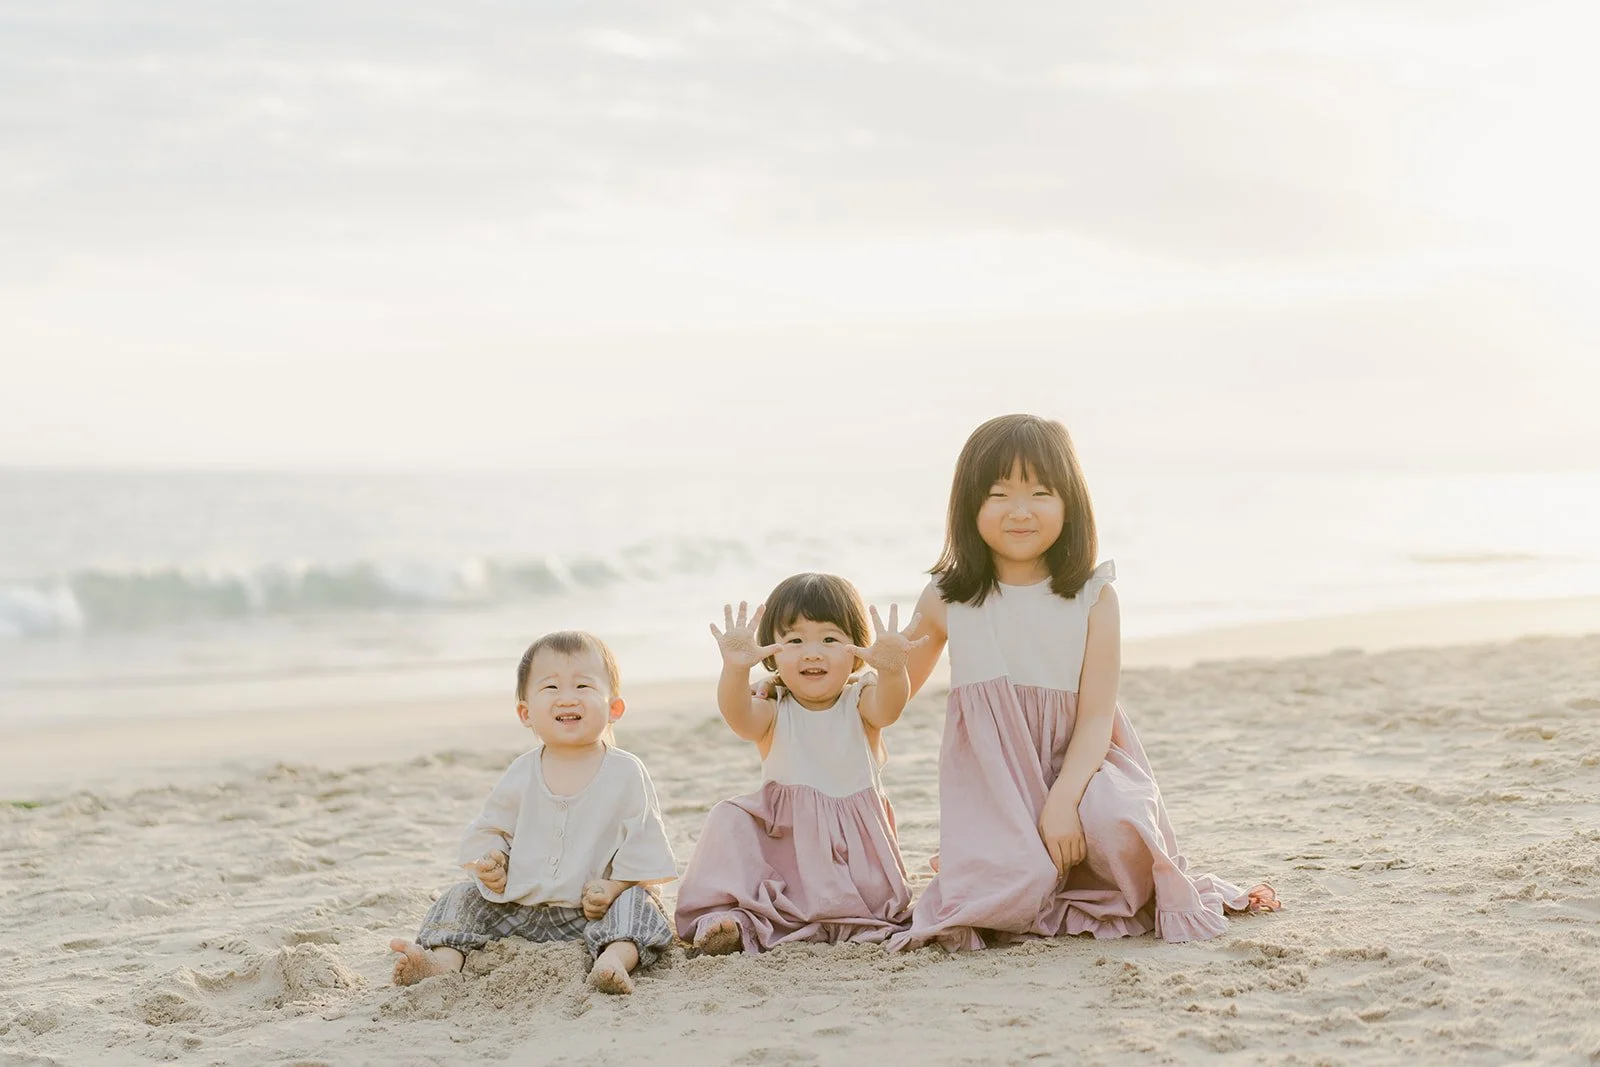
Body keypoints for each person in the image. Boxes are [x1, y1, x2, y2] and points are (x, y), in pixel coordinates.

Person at [888, 414, 1279, 951]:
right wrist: (799, 683)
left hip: (1085, 766)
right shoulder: (949, 599)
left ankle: (1084, 857)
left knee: (1117, 822)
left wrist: (1063, 801)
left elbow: (1097, 715)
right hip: (998, 784)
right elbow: (887, 699)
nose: (1020, 511)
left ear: (1070, 502)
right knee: (1014, 884)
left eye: (1041, 492)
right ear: (968, 507)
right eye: (998, 493)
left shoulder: (1092, 598)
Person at [389, 630, 678, 994]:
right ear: (526, 713)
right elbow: (492, 830)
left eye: (584, 686)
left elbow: (644, 845)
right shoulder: (521, 772)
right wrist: (493, 863)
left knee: (642, 904)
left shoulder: (626, 772)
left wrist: (614, 886)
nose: (567, 698)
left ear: (614, 708)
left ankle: (614, 959)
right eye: (551, 688)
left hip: (592, 917)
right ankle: (442, 964)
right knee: (460, 897)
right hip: (519, 911)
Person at [675, 573, 924, 954]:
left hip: (853, 855)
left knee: (860, 908)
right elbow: (738, 716)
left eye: (830, 639)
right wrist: (736, 670)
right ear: (772, 652)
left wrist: (892, 670)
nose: (812, 652)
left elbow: (890, 708)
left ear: (857, 650)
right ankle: (731, 919)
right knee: (727, 816)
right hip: (788, 851)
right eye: (794, 640)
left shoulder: (861, 701)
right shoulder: (773, 709)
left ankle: (824, 914)